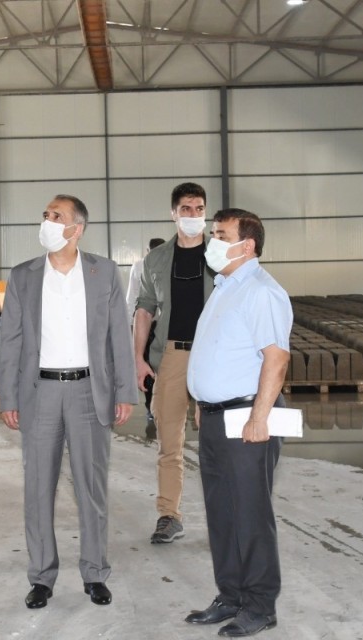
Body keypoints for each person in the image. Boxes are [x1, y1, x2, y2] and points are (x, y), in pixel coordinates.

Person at [0, 194, 136, 610]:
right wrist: (8, 396)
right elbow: (11, 341)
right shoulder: (23, 276)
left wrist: (125, 391)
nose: (47, 221)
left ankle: (95, 573)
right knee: (38, 489)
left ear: (77, 229)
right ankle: (42, 577)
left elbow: (119, 335)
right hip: (40, 393)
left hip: (89, 391)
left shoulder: (104, 272)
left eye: (56, 216)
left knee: (91, 488)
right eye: (45, 215)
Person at [183, 209, 291, 638]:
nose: (212, 241)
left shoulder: (261, 292)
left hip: (247, 418)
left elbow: (276, 358)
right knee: (222, 514)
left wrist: (259, 417)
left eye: (221, 235)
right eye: (213, 233)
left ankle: (260, 605)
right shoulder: (225, 287)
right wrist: (202, 401)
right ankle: (230, 595)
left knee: (250, 515)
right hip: (216, 416)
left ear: (247, 245)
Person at [133, 182, 214, 545]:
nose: (193, 215)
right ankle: (169, 515)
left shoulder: (220, 255)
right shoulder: (157, 259)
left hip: (215, 356)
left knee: (219, 441)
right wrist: (138, 358)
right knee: (169, 440)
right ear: (173, 214)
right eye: (186, 209)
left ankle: (225, 517)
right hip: (173, 355)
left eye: (199, 209)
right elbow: (144, 310)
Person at [125, 237, 166, 429]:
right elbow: (132, 297)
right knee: (147, 366)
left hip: (166, 325)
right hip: (147, 325)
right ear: (147, 252)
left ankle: (166, 405)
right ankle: (150, 406)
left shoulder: (171, 263)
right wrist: (131, 327)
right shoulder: (139, 266)